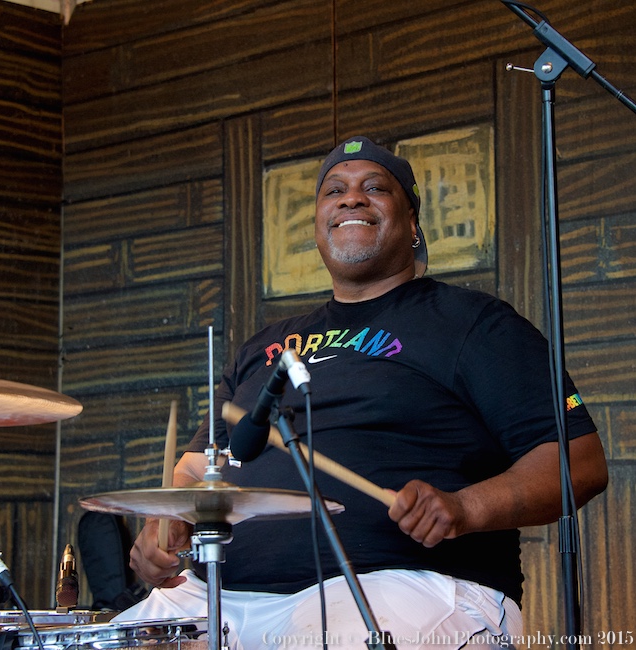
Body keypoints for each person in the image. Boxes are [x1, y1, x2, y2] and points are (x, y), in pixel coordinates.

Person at [114, 136, 609, 649]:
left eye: (375, 187)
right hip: (224, 595)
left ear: (414, 223)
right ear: (318, 225)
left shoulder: (477, 325)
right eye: (334, 191)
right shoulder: (263, 347)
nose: (351, 198)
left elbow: (581, 462)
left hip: (402, 584)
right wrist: (164, 524)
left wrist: (465, 507)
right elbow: (198, 468)